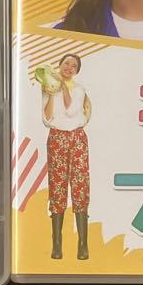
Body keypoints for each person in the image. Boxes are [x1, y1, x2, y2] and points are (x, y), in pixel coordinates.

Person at [40, 53, 92, 260]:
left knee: (80, 185)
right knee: (57, 185)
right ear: (59, 65)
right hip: (56, 137)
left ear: (77, 71)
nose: (69, 67)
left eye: (74, 65)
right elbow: (47, 118)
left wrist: (62, 87)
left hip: (77, 137)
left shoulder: (79, 90)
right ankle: (57, 245)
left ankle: (83, 245)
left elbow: (70, 111)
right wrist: (51, 92)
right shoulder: (48, 88)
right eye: (66, 63)